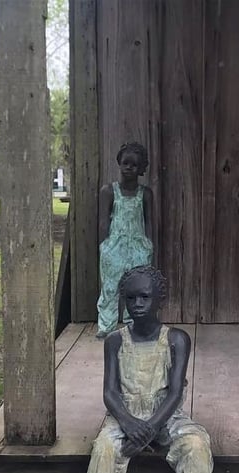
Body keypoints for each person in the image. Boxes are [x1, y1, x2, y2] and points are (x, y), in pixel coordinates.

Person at [80, 266, 213, 473]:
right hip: (125, 416)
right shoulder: (116, 341)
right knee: (104, 449)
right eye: (131, 299)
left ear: (158, 300)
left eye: (144, 297)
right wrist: (129, 424)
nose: (137, 305)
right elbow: (110, 392)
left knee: (196, 445)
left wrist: (150, 429)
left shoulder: (176, 339)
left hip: (165, 415)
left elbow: (175, 392)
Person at [96, 142, 154, 339]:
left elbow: (149, 222)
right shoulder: (109, 191)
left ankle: (134, 326)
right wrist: (104, 246)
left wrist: (149, 245)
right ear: (119, 163)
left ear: (141, 170)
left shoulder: (145, 194)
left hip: (139, 249)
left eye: (134, 165)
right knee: (109, 288)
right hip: (114, 248)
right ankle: (106, 326)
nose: (129, 168)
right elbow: (103, 222)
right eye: (126, 163)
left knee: (137, 289)